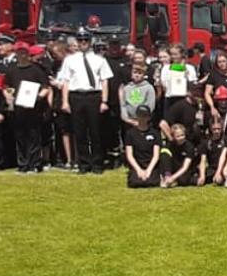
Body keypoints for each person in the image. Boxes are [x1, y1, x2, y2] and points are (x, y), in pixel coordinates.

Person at [56, 35, 112, 173]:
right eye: (80, 40)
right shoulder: (70, 60)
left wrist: (104, 101)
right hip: (76, 96)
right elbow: (66, 81)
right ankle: (84, 163)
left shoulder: (99, 60)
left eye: (85, 40)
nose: (83, 43)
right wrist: (65, 101)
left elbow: (104, 80)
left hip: (94, 96)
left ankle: (97, 163)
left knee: (95, 131)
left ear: (90, 42)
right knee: (79, 132)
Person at [122, 111, 164, 188]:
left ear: (149, 118)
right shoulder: (130, 133)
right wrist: (138, 170)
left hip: (151, 164)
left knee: (152, 182)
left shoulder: (155, 133)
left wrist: (149, 170)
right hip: (137, 164)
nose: (142, 118)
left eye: (145, 116)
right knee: (135, 182)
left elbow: (156, 155)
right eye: (140, 116)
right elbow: (129, 155)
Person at [159, 122, 202, 187]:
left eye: (182, 135)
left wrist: (173, 178)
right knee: (164, 153)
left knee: (184, 180)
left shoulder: (189, 146)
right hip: (173, 168)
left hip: (185, 169)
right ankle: (167, 177)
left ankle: (173, 181)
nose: (181, 138)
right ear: (173, 136)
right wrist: (168, 175)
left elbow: (185, 167)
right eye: (178, 136)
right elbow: (165, 160)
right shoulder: (170, 145)